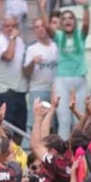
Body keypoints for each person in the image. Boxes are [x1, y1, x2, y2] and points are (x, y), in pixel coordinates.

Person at [39, 0, 91, 140]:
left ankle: (78, 152)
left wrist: (85, 6)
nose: (68, 20)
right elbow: (47, 27)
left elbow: (87, 24)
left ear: (74, 22)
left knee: (79, 120)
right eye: (65, 18)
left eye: (71, 18)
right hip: (62, 81)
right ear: (62, 22)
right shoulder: (59, 37)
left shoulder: (81, 36)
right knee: (63, 120)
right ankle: (63, 153)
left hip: (80, 81)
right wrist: (42, 8)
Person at [23, 17, 58, 148]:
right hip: (37, 89)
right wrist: (32, 62)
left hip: (55, 89)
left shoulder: (56, 46)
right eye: (37, 27)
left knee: (52, 124)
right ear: (34, 30)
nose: (40, 29)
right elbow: (25, 72)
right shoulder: (32, 49)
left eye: (42, 25)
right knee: (35, 123)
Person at [0, 15, 29, 141]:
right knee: (6, 128)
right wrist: (13, 38)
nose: (10, 29)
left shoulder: (20, 41)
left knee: (20, 128)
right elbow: (9, 56)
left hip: (20, 89)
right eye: (7, 26)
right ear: (2, 28)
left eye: (13, 26)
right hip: (5, 90)